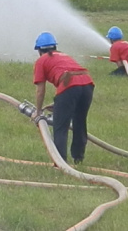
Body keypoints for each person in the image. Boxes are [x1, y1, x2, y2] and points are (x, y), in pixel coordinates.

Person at [30, 32, 94, 165]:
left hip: (70, 86)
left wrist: (38, 111)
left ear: (39, 50)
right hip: (87, 83)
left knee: (60, 127)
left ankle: (60, 163)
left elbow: (40, 90)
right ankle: (78, 158)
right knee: (79, 122)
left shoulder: (41, 61)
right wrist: (58, 103)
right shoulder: (64, 55)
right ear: (54, 47)